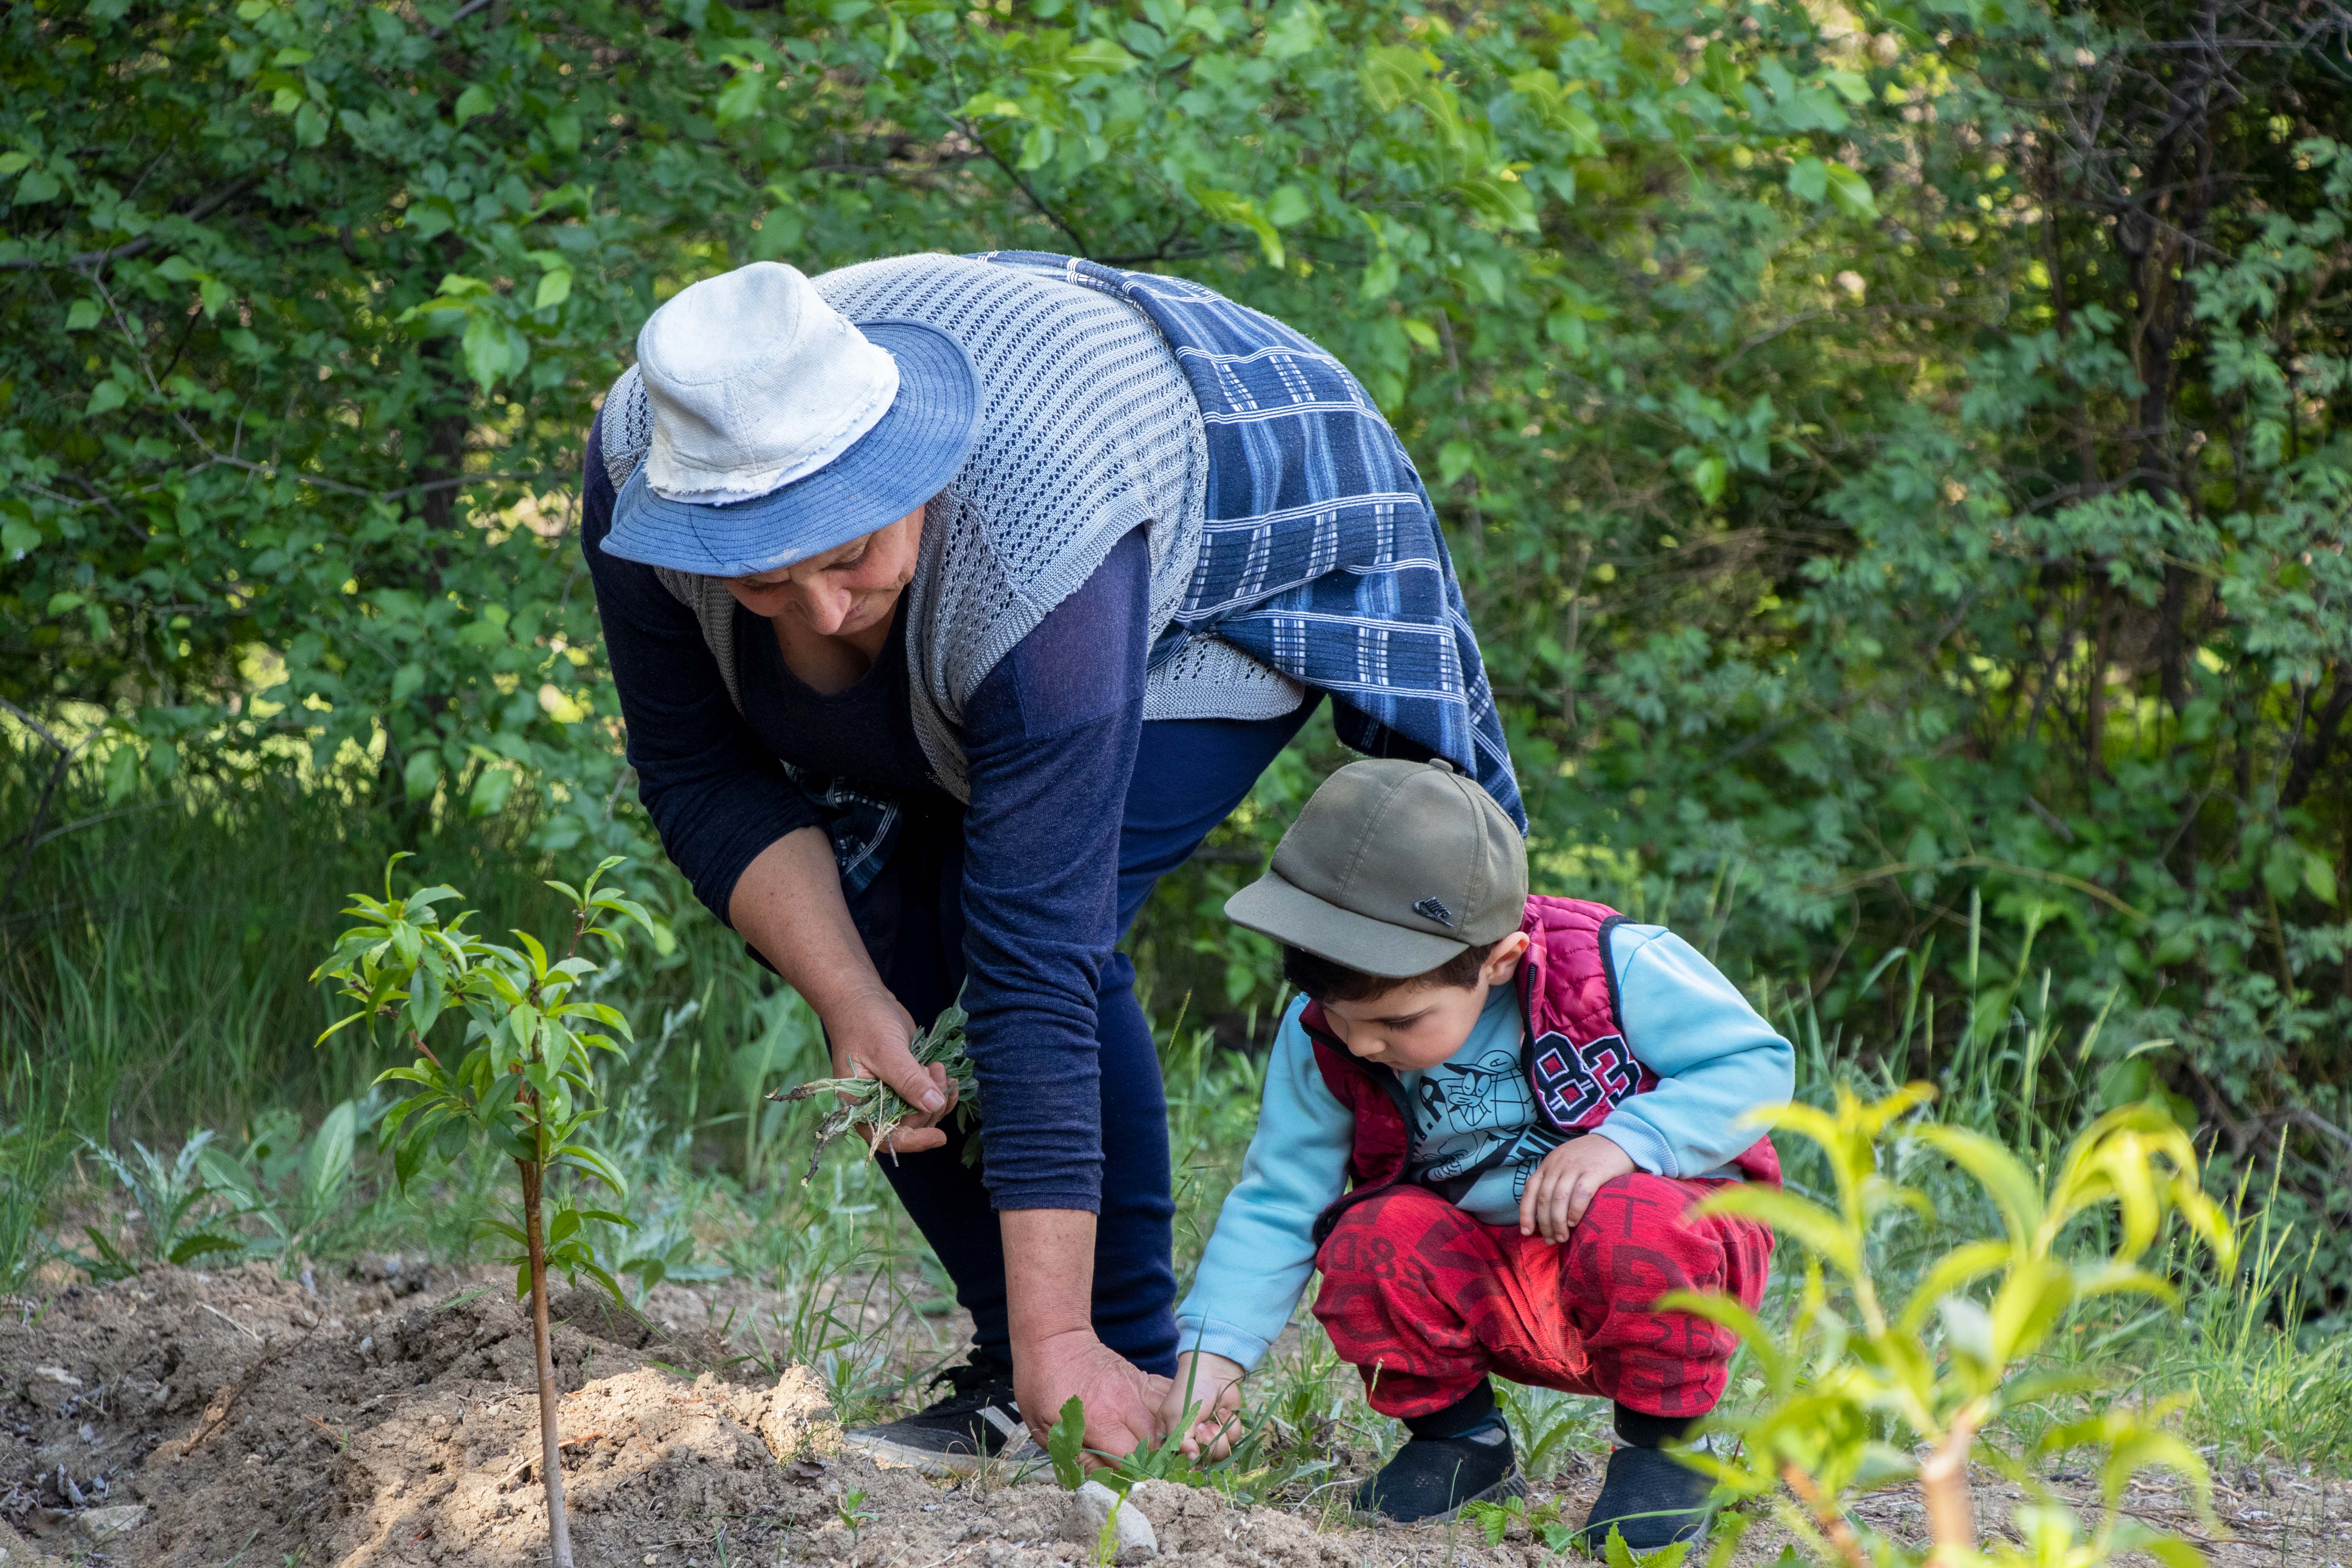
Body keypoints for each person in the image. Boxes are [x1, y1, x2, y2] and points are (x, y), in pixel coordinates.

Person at [581, 252, 1525, 1472]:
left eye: (853, 555)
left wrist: (1061, 1334)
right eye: (766, 580)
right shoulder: (639, 469)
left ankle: (1102, 1364)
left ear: (907, 471)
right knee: (887, 970)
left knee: (991, 944)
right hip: (1029, 529)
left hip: (1232, 533)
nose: (823, 612)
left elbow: (1037, 951)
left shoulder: (1042, 532)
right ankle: (1017, 1372)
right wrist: (852, 998)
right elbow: (700, 775)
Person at [1159, 758, 1790, 1547]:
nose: (1361, 1040)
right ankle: (1461, 1443)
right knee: (1366, 1236)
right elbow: (1283, 1196)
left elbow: (1757, 1066)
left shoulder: (1609, 964)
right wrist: (1214, 1354)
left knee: (1636, 1219)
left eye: (1397, 1021)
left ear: (1498, 960)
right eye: (1339, 1013)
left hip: (1666, 1261)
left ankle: (1666, 1452)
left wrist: (1626, 1141)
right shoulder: (1325, 1033)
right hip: (1492, 1275)